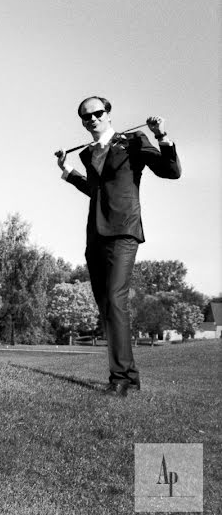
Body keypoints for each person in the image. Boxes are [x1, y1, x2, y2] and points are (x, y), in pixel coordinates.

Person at [56, 96, 181, 396]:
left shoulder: (133, 142)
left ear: (108, 115)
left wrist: (161, 136)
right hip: (95, 234)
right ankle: (130, 376)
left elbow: (171, 170)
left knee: (114, 299)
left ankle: (121, 379)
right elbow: (96, 190)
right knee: (107, 306)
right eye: (86, 117)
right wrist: (67, 171)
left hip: (124, 231)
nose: (92, 119)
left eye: (97, 113)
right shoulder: (88, 154)